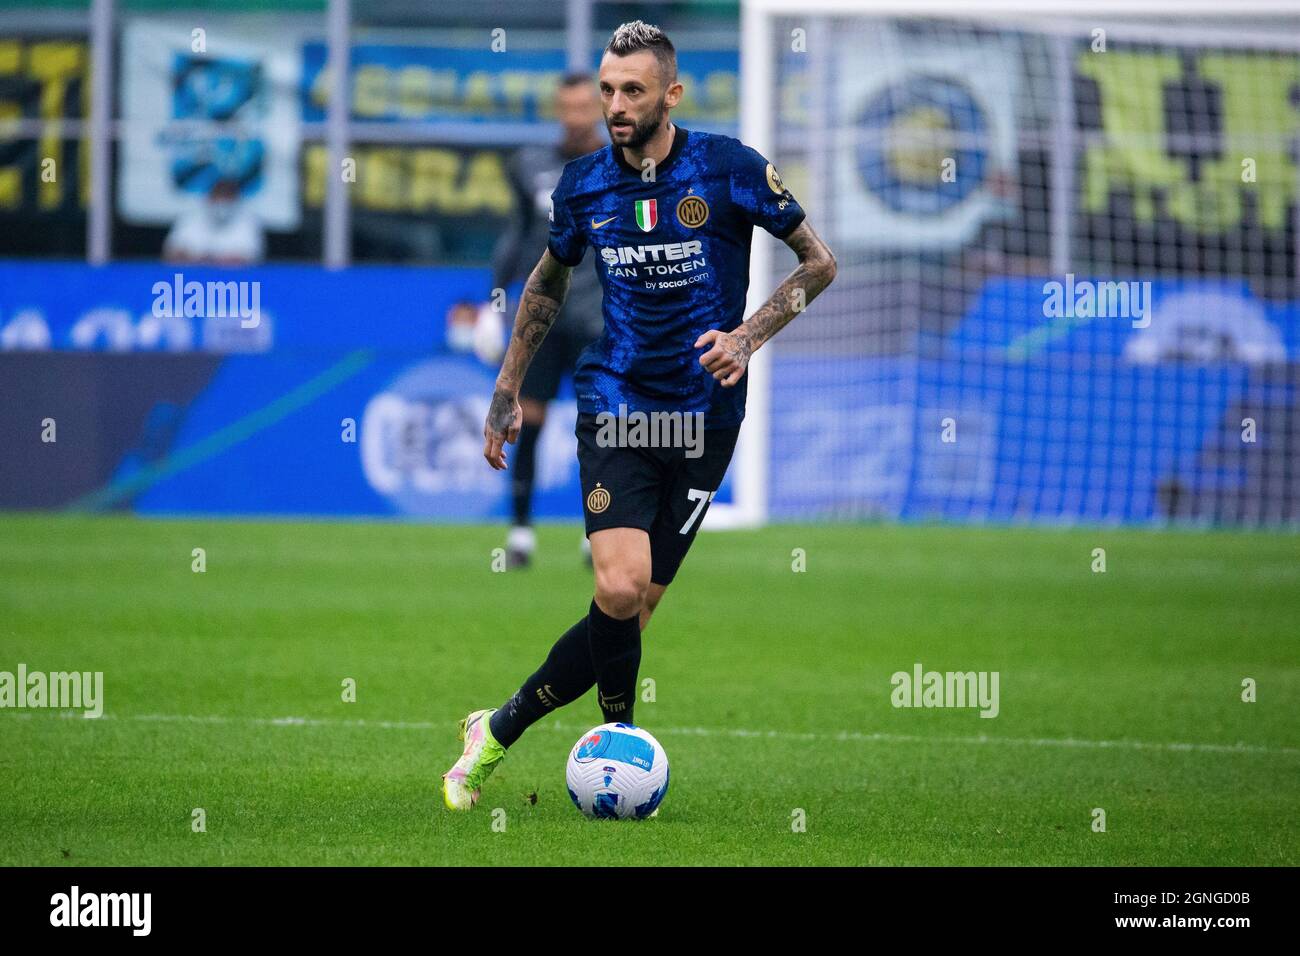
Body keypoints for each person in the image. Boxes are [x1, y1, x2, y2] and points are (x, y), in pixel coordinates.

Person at [441, 20, 837, 811]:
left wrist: (749, 336)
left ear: (671, 94)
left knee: (632, 611)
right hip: (616, 405)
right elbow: (546, 283)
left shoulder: (729, 168)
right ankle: (618, 747)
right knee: (617, 589)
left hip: (706, 420)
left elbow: (818, 263)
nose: (615, 105)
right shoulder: (583, 184)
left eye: (632, 91)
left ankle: (496, 727)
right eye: (608, 89)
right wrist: (507, 385)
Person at [493, 73, 608, 568]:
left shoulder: (622, 166)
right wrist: (491, 300)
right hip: (543, 319)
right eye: (567, 107)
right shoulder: (531, 165)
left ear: (599, 108)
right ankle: (520, 534)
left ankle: (596, 533)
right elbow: (517, 237)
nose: (575, 116)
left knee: (599, 428)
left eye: (584, 106)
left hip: (600, 320)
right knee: (528, 422)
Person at [162, 177, 265, 266]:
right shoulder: (189, 219)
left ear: (236, 198)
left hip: (235, 284)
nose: (222, 202)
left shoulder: (248, 222)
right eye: (219, 195)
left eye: (227, 196)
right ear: (209, 196)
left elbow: (249, 260)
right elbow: (172, 255)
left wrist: (205, 260)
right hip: (190, 283)